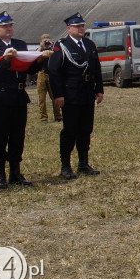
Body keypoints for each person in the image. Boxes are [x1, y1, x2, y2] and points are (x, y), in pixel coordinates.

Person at [0, 11, 50, 189]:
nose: (9, 29)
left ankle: (15, 172)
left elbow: (28, 69)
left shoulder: (19, 44)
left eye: (10, 26)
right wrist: (6, 59)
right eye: (5, 26)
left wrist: (40, 60)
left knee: (17, 137)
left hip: (18, 96)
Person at [48, 12, 104, 180]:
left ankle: (83, 163)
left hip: (87, 91)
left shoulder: (89, 44)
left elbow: (96, 68)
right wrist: (58, 95)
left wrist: (99, 89)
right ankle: (65, 165)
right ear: (69, 28)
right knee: (70, 130)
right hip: (70, 93)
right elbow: (54, 72)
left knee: (86, 129)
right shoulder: (61, 45)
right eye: (77, 26)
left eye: (82, 25)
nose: (81, 28)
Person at [37, 33, 61, 123]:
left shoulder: (53, 49)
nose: (46, 42)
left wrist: (51, 46)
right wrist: (41, 47)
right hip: (41, 74)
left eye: (47, 40)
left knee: (54, 96)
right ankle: (44, 117)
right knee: (42, 98)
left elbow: (57, 55)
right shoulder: (39, 50)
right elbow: (34, 58)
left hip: (51, 74)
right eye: (44, 41)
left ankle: (58, 116)